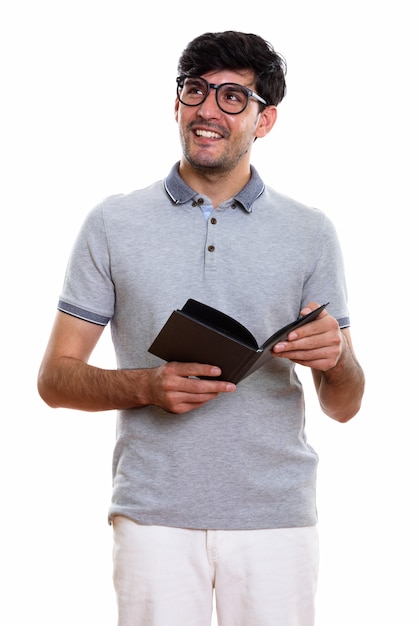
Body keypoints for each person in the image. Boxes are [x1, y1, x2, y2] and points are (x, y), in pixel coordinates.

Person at [37, 30, 365, 626]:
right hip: (152, 514)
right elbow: (55, 380)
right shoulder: (113, 223)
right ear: (177, 103)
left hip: (276, 517)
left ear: (265, 121)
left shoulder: (310, 231)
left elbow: (344, 406)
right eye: (196, 91)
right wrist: (145, 387)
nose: (209, 110)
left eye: (233, 98)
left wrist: (338, 359)